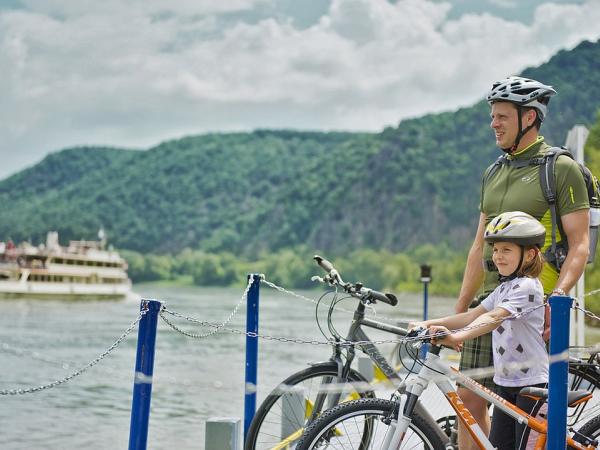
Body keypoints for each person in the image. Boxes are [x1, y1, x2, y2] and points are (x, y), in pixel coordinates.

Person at [455, 76, 590, 449]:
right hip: (490, 302)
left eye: (501, 116)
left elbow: (580, 244)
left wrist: (557, 299)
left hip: (531, 305)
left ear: (529, 117)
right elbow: (477, 248)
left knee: (526, 415)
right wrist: (461, 307)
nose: (493, 124)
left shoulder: (560, 168)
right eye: (492, 116)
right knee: (468, 400)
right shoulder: (493, 171)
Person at [411, 211, 549, 449]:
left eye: (506, 250)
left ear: (530, 254)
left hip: (532, 385)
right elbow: (472, 315)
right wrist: (425, 324)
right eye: (495, 250)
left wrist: (455, 337)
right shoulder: (503, 288)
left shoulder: (528, 287)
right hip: (505, 383)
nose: (497, 256)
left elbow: (494, 318)